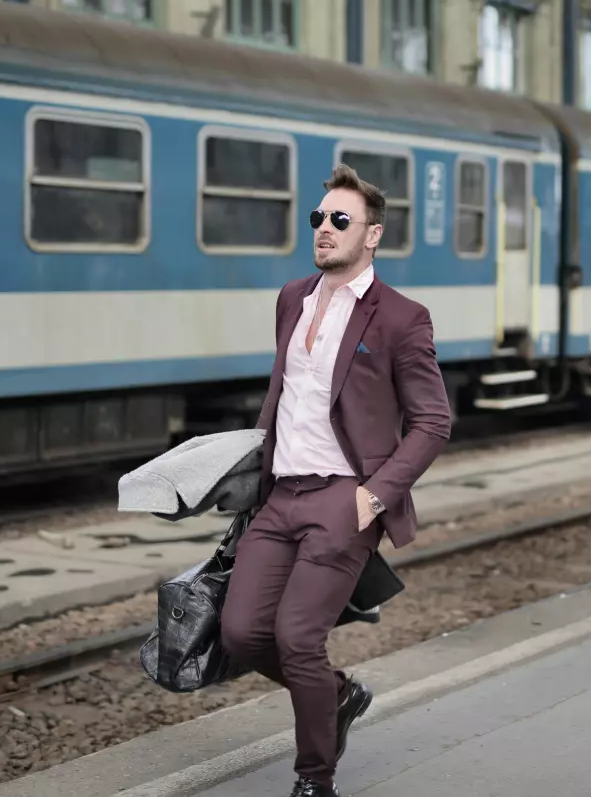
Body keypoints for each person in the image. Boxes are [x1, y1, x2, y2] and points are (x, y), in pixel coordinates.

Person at [220, 163, 452, 797]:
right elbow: (286, 397)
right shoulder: (292, 298)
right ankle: (339, 696)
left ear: (371, 235)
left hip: (342, 500)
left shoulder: (402, 318)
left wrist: (372, 496)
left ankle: (314, 780)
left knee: (297, 637)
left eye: (339, 220)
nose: (324, 228)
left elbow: (433, 422)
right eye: (318, 218)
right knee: (241, 633)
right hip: (280, 497)